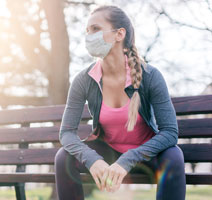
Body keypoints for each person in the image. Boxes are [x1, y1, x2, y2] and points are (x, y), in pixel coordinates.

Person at [54, 5, 186, 200]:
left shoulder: (150, 76)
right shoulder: (84, 79)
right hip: (107, 152)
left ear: (119, 34)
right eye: (87, 30)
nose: (89, 36)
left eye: (96, 29)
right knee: (63, 157)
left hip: (145, 153)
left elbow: (170, 132)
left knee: (174, 156)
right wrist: (92, 160)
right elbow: (66, 133)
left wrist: (127, 160)